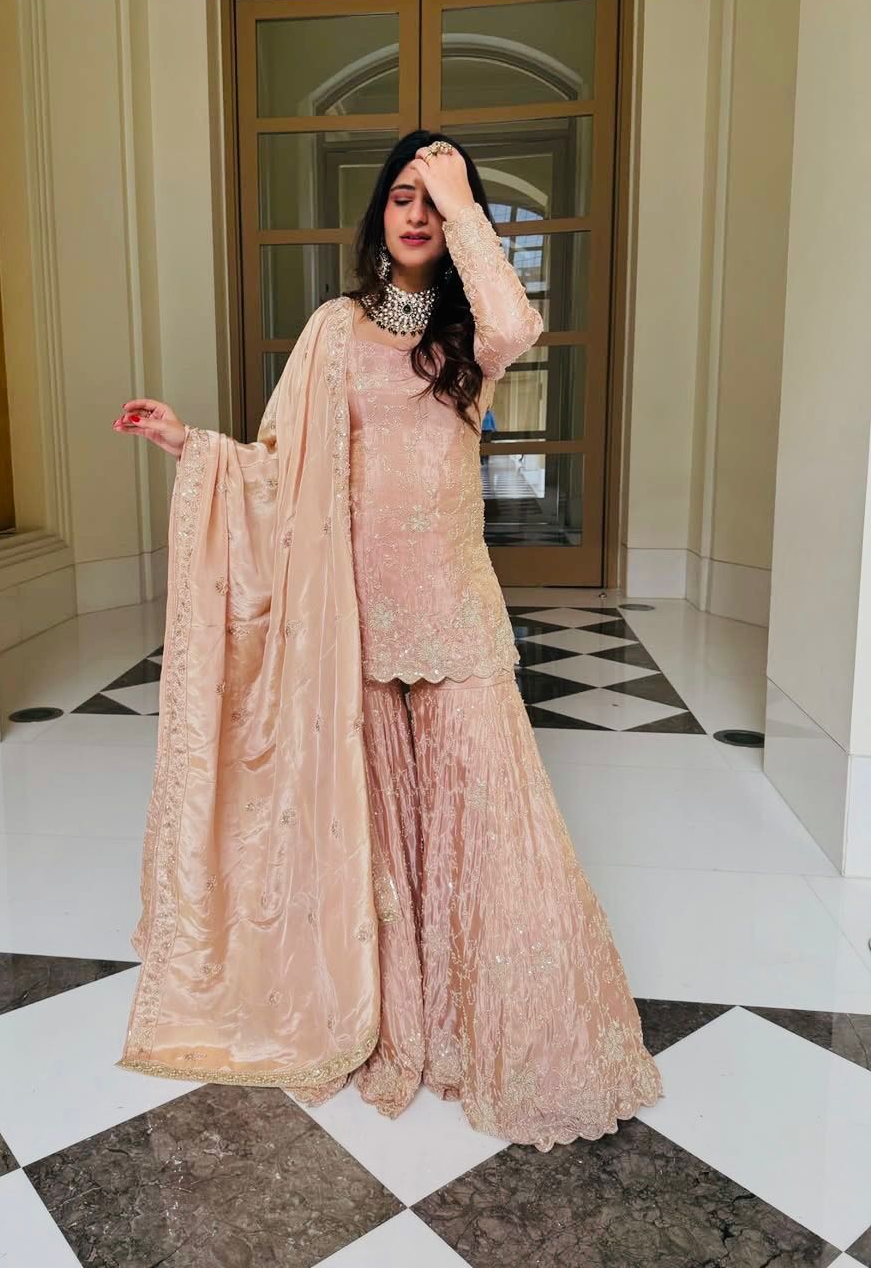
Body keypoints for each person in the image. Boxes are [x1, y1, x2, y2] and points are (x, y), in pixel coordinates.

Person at [111, 131, 663, 1151]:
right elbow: (280, 464)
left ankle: (493, 1023)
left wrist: (467, 206)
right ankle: (393, 1014)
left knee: (487, 823)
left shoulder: (474, 333)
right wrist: (193, 446)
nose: (417, 213)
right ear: (378, 214)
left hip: (452, 610)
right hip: (351, 618)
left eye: (435, 199)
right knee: (373, 834)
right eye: (404, 195)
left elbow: (520, 321)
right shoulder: (334, 330)